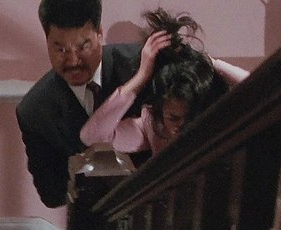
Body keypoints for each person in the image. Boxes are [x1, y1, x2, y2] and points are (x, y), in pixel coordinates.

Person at [16, 0, 145, 208]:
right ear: (47, 41)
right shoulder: (34, 112)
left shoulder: (142, 66)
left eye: (83, 46)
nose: (73, 61)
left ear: (99, 33)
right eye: (60, 49)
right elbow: (51, 195)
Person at [80, 8, 250, 156]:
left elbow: (261, 90)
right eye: (173, 118)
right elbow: (92, 137)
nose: (182, 128)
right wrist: (140, 77)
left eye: (190, 118)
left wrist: (211, 62)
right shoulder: (152, 126)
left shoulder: (217, 114)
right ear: (161, 111)